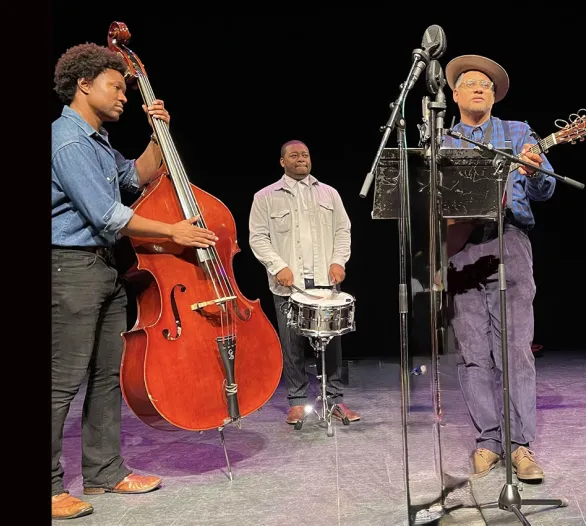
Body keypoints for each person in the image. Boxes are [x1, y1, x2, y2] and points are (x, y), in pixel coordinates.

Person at [51, 43, 219, 520]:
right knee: (62, 382)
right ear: (83, 84)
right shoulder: (67, 140)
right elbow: (107, 213)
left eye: (126, 87)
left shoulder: (98, 140)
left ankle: (104, 471)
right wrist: (173, 231)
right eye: (116, 85)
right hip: (70, 267)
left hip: (102, 267)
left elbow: (135, 177)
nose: (123, 95)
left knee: (107, 377)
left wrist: (157, 133)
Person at [441, 55, 556, 482]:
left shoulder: (518, 132)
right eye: (470, 83)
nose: (479, 88)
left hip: (509, 240)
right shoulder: (442, 138)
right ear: (454, 94)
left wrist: (535, 168)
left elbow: (545, 189)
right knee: (473, 353)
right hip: (460, 247)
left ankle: (520, 445)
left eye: (486, 85)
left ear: (493, 95)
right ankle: (488, 441)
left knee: (516, 350)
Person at [248, 140, 359, 425]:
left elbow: (342, 230)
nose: (301, 158)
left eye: (305, 154)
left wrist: (338, 261)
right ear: (282, 162)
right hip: (289, 284)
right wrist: (278, 266)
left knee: (332, 343)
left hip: (324, 281)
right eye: (294, 155)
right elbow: (258, 237)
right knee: (292, 344)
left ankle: (334, 400)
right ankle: (297, 401)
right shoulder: (265, 196)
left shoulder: (329, 193)